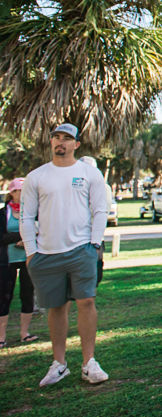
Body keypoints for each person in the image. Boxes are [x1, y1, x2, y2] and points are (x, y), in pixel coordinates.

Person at [21, 123, 109, 386]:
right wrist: (30, 252)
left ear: (77, 144)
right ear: (51, 142)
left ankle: (89, 363)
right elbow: (26, 216)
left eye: (67, 138)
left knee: (86, 303)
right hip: (46, 254)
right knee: (56, 307)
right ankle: (59, 364)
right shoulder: (36, 176)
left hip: (81, 249)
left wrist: (94, 244)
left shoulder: (89, 173)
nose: (61, 142)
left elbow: (100, 211)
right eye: (56, 137)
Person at [1, 178, 37, 347]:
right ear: (12, 193)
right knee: (4, 297)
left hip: (27, 259)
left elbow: (40, 231)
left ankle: (25, 333)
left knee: (27, 294)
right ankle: (1, 337)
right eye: (21, 191)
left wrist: (29, 239)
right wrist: (22, 237)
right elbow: (1, 237)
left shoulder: (31, 212)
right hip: (6, 261)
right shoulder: (3, 213)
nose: (24, 194)